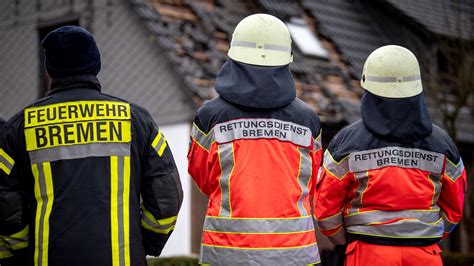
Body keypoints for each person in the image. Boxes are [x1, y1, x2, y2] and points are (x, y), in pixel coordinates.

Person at [0, 26, 183, 266]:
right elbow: (167, 196)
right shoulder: (137, 120)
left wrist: (22, 251)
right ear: (95, 64)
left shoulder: (19, 127)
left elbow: (5, 201)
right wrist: (145, 242)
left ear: (50, 69)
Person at [188, 13, 323, 265]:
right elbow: (313, 181)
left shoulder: (210, 116)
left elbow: (203, 179)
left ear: (233, 55)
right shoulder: (308, 120)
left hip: (227, 254)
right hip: (296, 255)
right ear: (287, 60)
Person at [315, 45, 466, 266]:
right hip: (425, 255)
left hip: (367, 254)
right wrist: (426, 234)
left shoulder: (346, 142)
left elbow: (326, 211)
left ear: (368, 88)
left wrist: (343, 240)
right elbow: (454, 208)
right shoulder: (443, 145)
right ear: (416, 87)